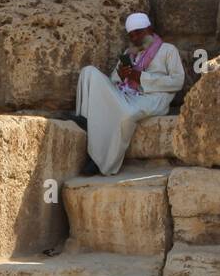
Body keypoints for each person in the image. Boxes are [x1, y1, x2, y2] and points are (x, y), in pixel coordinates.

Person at [74, 12, 185, 176]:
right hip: (126, 94)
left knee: (125, 115)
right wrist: (121, 74)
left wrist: (140, 77)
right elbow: (112, 82)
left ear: (149, 29)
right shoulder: (129, 52)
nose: (135, 38)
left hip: (153, 98)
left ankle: (101, 162)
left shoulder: (168, 50)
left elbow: (177, 81)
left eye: (138, 33)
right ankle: (85, 119)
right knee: (88, 72)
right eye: (131, 35)